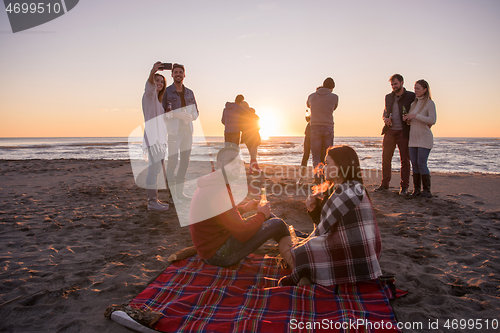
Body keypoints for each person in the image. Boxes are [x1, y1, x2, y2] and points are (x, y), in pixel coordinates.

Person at [281, 145, 382, 286]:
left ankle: (304, 274)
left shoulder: (345, 192)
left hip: (351, 259)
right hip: (363, 256)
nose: (323, 168)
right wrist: (314, 211)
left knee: (288, 245)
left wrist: (299, 247)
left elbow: (319, 233)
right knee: (299, 244)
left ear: (340, 167)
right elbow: (327, 228)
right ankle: (308, 276)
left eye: (328, 164)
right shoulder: (355, 188)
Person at [188, 145, 294, 268]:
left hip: (213, 247)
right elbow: (242, 234)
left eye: (239, 162)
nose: (236, 166)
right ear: (219, 164)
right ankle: (296, 255)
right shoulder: (218, 190)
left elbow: (219, 215)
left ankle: (297, 239)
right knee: (277, 224)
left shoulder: (214, 183)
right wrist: (261, 214)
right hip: (217, 255)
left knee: (270, 218)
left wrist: (244, 209)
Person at [162, 63, 199, 202]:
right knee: (172, 162)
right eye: (175, 72)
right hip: (173, 132)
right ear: (172, 75)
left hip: (187, 132)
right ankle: (172, 196)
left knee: (184, 162)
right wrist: (177, 115)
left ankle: (180, 193)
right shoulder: (167, 92)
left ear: (184, 75)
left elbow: (196, 112)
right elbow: (162, 113)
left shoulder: (190, 92)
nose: (178, 74)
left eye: (180, 72)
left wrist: (192, 117)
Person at [376, 74, 415, 195]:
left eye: (395, 84)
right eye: (392, 84)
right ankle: (385, 184)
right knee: (386, 158)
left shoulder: (411, 96)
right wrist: (385, 119)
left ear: (402, 83)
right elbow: (385, 112)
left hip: (404, 132)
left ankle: (404, 187)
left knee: (405, 160)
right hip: (390, 131)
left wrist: (410, 119)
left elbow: (415, 110)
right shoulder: (388, 97)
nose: (393, 86)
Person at [142, 61, 169, 211]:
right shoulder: (149, 96)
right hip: (153, 139)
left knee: (156, 170)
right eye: (157, 81)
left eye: (161, 82)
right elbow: (150, 87)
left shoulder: (158, 103)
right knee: (153, 170)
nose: (159, 83)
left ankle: (154, 200)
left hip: (160, 140)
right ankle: (152, 203)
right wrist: (153, 71)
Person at [403, 79, 436, 198]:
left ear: (425, 89)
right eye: (415, 88)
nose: (415, 91)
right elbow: (414, 121)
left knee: (422, 163)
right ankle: (416, 190)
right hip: (413, 139)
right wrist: (408, 119)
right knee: (414, 164)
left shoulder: (429, 103)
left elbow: (432, 120)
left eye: (418, 88)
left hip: (424, 138)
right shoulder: (414, 104)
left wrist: (415, 116)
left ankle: (426, 191)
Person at [306, 78, 339, 184]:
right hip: (328, 126)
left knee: (316, 154)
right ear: (332, 87)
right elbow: (334, 108)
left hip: (315, 126)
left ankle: (317, 177)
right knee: (327, 154)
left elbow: (308, 105)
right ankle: (326, 177)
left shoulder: (312, 96)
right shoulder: (334, 97)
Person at [239, 100, 262, 175]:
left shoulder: (242, 116)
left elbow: (241, 127)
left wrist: (246, 131)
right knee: (253, 154)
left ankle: (255, 169)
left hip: (247, 137)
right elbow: (259, 127)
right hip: (254, 136)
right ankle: (252, 170)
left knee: (252, 154)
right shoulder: (254, 115)